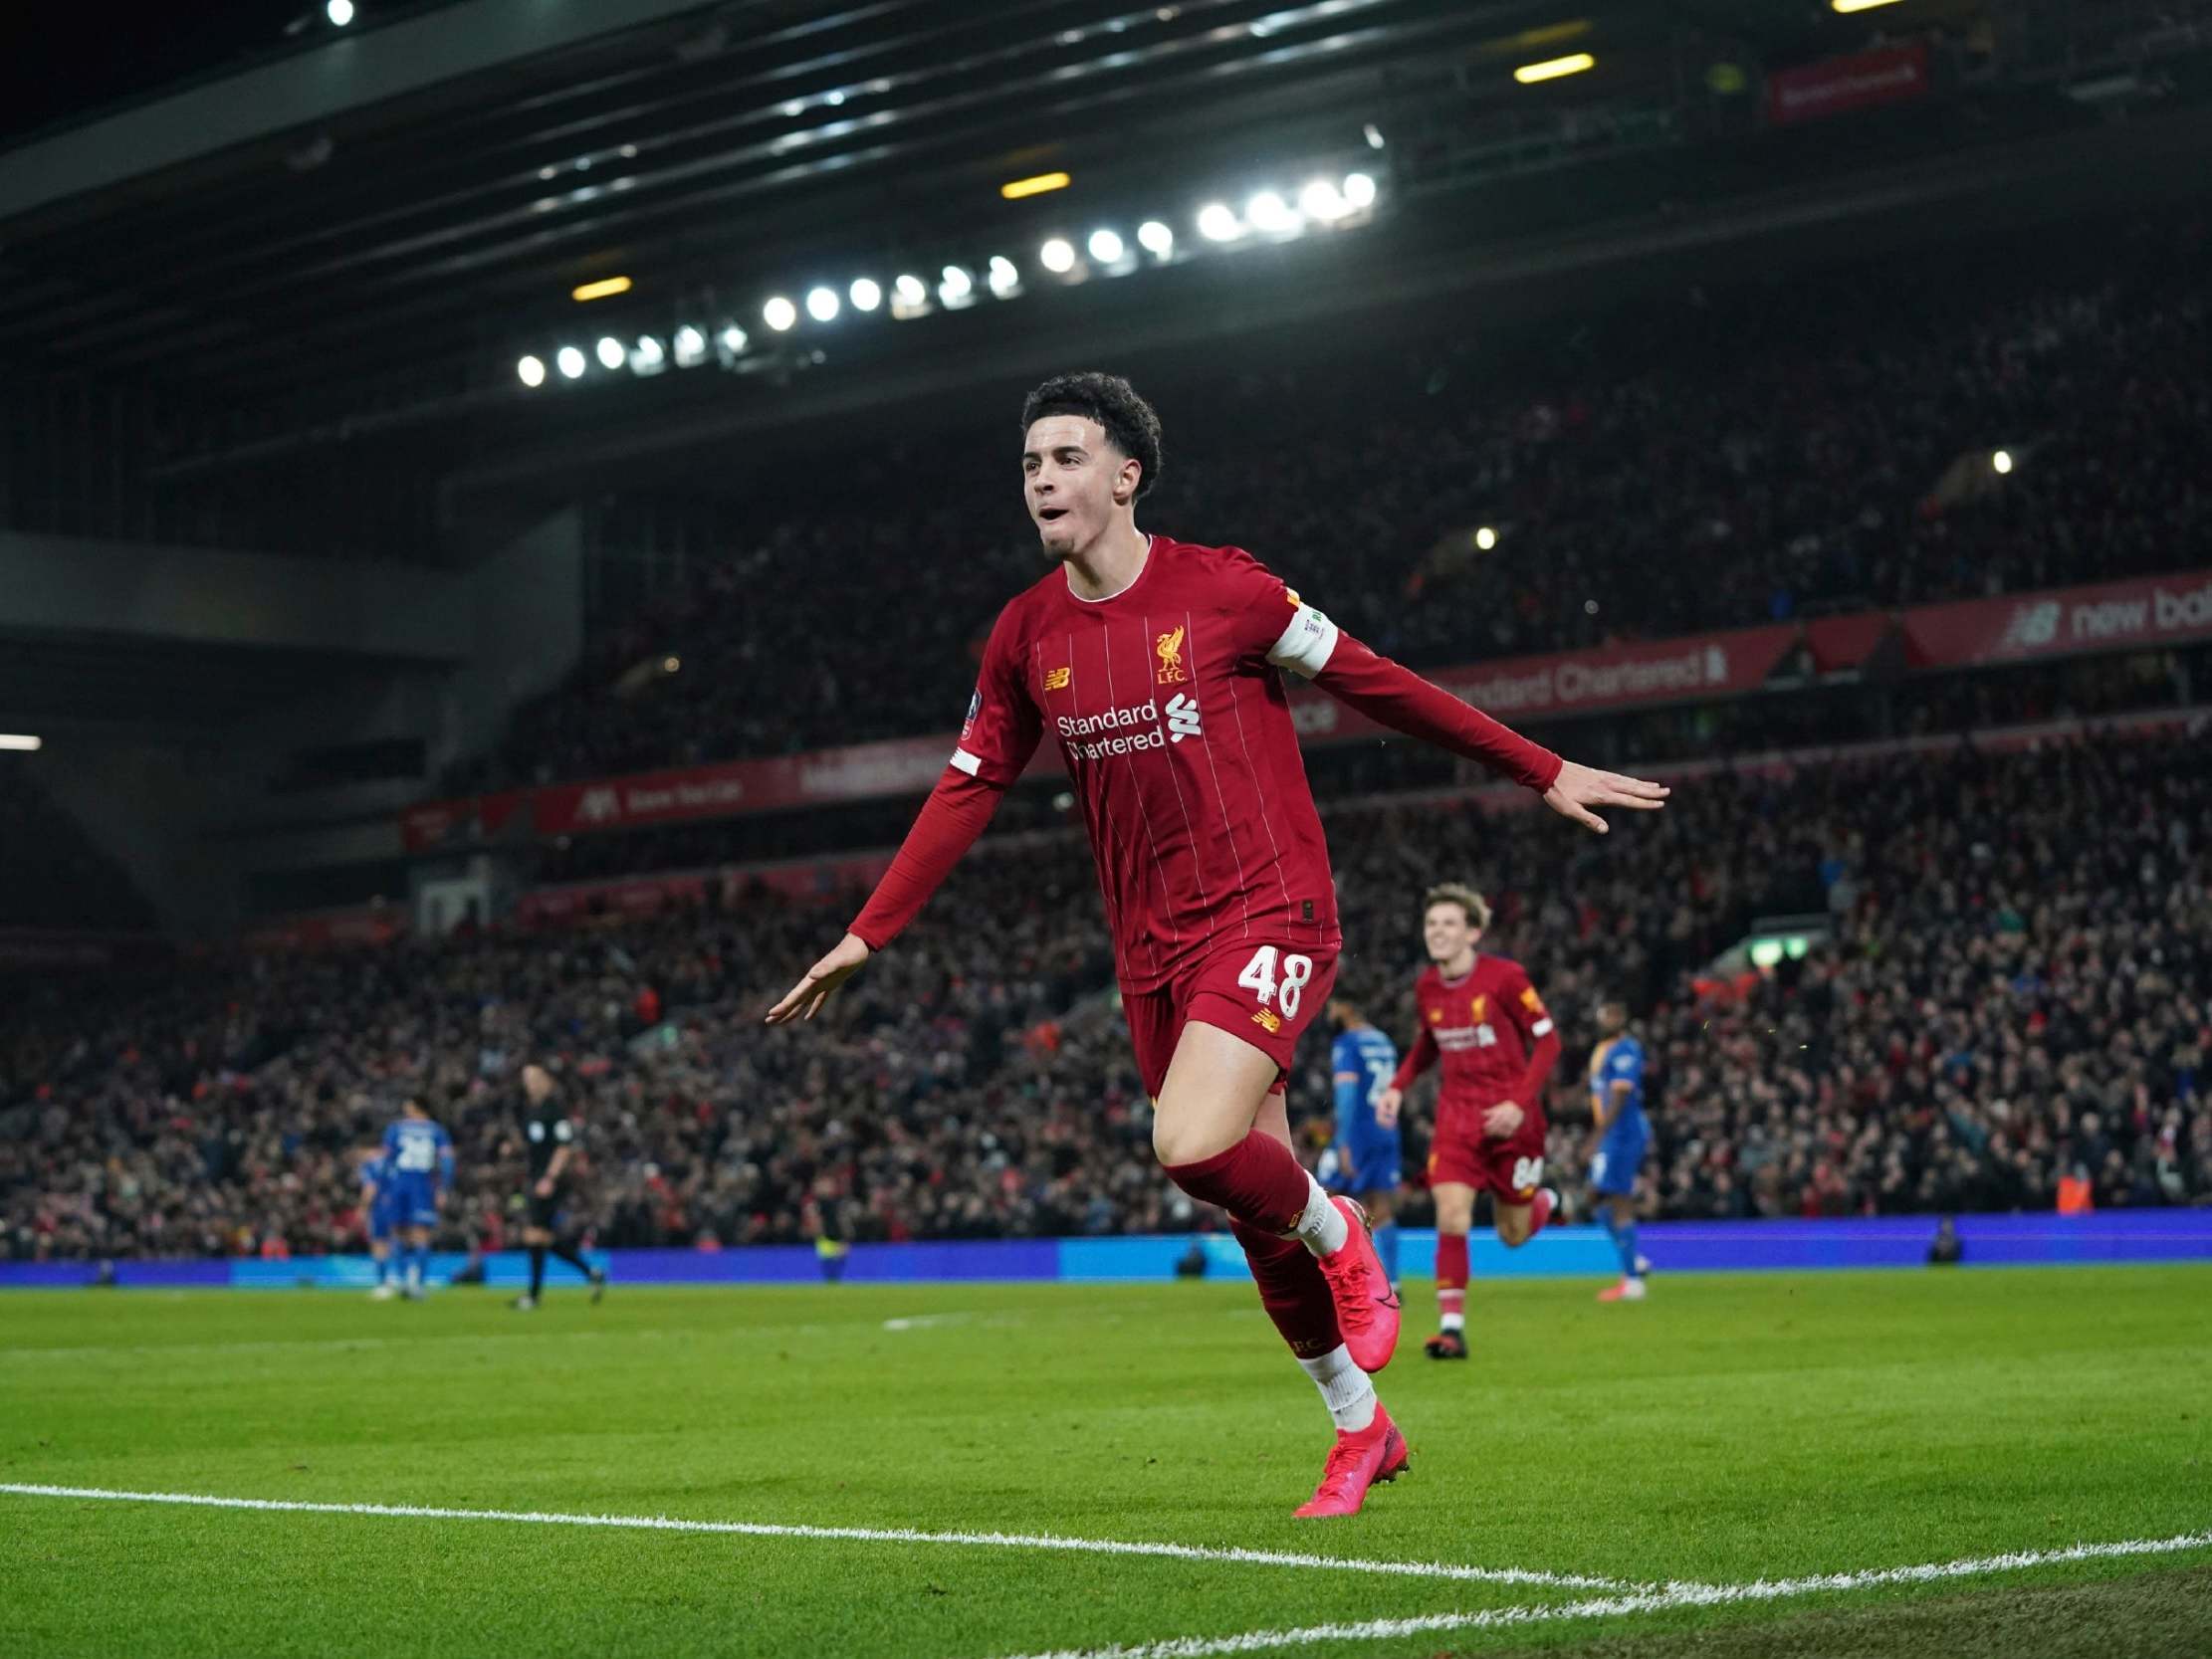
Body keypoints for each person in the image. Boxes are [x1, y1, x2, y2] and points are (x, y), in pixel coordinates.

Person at [768, 371, 1666, 1518]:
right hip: (1149, 948)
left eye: (1066, 456)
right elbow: (967, 783)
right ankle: (1359, 1429)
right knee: (1252, 1208)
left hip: (1268, 909)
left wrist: (1537, 766)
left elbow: (1371, 681)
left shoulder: (1226, 590)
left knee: (1189, 1141)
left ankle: (1343, 1230)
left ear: (1124, 474)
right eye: (1030, 462)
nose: (1041, 477)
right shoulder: (1023, 633)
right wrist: (866, 932)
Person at [1375, 885, 1562, 1359]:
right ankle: (1451, 1328)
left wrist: (1519, 1104)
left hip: (1513, 1120)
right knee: (1451, 1216)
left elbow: (1548, 1043)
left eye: (1449, 923)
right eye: (1431, 923)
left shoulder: (1506, 978)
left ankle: (1546, 1201)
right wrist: (1398, 1085)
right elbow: (1428, 1044)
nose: (1437, 932)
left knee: (1513, 1235)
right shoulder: (1427, 987)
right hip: (1457, 1119)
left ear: (1473, 932)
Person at [1323, 994, 1404, 1295]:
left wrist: (1343, 1141)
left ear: (1347, 1008)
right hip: (1386, 1130)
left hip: (1358, 1132)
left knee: (1323, 1200)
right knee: (1381, 1208)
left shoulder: (1347, 1044)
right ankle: (1392, 1283)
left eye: (1332, 1008)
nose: (1329, 1015)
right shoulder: (1384, 1041)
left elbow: (1346, 1094)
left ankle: (1334, 1279)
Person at [514, 1062, 606, 1310]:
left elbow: (564, 1147)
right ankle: (591, 1272)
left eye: (534, 1077)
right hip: (536, 1178)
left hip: (552, 1181)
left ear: (546, 1080)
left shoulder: (554, 1110)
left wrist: (549, 1178)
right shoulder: (530, 1110)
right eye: (526, 1078)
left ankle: (532, 1297)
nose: (530, 1083)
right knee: (541, 1238)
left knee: (534, 1235)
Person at [1587, 997, 1653, 1302]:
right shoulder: (1603, 1052)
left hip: (1623, 1133)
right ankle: (1633, 1259)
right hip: (1613, 1134)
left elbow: (1620, 1097)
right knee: (1595, 1196)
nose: (1607, 1018)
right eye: (1604, 1013)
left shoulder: (1626, 1049)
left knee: (1619, 1199)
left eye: (1614, 1013)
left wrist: (1597, 1136)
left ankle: (1632, 1282)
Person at [380, 1098, 453, 1302]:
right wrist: (443, 1189)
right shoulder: (437, 1131)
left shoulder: (395, 1129)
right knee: (421, 1234)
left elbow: (386, 1161)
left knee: (399, 1232)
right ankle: (417, 1284)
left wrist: (384, 1189)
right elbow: (447, 1162)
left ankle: (405, 1280)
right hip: (422, 1186)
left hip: (400, 1184)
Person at [358, 1146, 399, 1301]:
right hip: (400, 1205)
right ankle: (406, 1278)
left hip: (381, 1207)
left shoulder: (370, 1165)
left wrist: (362, 1208)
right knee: (400, 1241)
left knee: (379, 1244)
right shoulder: (396, 1161)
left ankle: (384, 1284)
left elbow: (370, 1188)